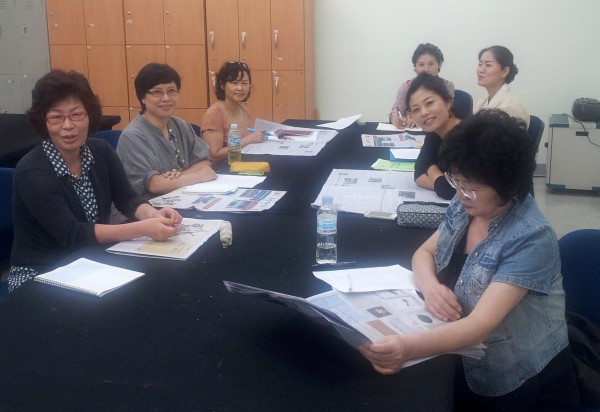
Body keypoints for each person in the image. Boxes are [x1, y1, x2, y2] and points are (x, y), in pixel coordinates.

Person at [360, 110, 580, 411]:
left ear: (507, 185)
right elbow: (423, 253)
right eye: (456, 180)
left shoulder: (531, 237)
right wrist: (431, 289)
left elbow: (480, 325)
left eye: (472, 187)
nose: (461, 193)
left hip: (516, 378)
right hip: (462, 354)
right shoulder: (468, 202)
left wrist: (405, 348)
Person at [8, 70, 183, 292]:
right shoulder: (33, 171)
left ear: (89, 115)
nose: (68, 125)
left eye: (76, 115)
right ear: (43, 121)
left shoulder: (100, 151)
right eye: (56, 117)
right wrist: (143, 228)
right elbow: (74, 235)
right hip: (42, 272)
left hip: (90, 261)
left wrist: (153, 215)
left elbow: (128, 200)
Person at [117, 63, 216, 199]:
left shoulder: (181, 125)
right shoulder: (133, 136)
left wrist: (177, 178)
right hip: (147, 207)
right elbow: (155, 185)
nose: (166, 98)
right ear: (142, 97)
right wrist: (198, 176)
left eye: (171, 91)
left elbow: (204, 162)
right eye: (157, 92)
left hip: (183, 199)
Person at [408, 73, 459, 200]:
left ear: (448, 102)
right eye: (416, 109)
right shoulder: (434, 133)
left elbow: (454, 191)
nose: (424, 113)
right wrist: (438, 179)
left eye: (429, 103)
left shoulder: (468, 138)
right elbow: (418, 173)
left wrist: (430, 169)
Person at [201, 61, 265, 163]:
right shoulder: (213, 114)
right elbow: (214, 155)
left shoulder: (244, 109)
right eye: (234, 83)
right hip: (224, 169)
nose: (240, 88)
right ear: (222, 85)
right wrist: (249, 139)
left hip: (245, 162)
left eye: (244, 83)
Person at [389, 43, 455, 129]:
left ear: (439, 65)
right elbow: (397, 111)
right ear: (415, 67)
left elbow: (447, 114)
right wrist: (395, 118)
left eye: (431, 64)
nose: (426, 69)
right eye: (421, 64)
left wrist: (419, 119)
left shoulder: (447, 86)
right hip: (412, 131)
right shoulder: (407, 86)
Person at [475, 45, 530, 128]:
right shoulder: (482, 102)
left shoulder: (512, 107)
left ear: (505, 71)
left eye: (488, 65)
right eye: (480, 64)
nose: (481, 70)